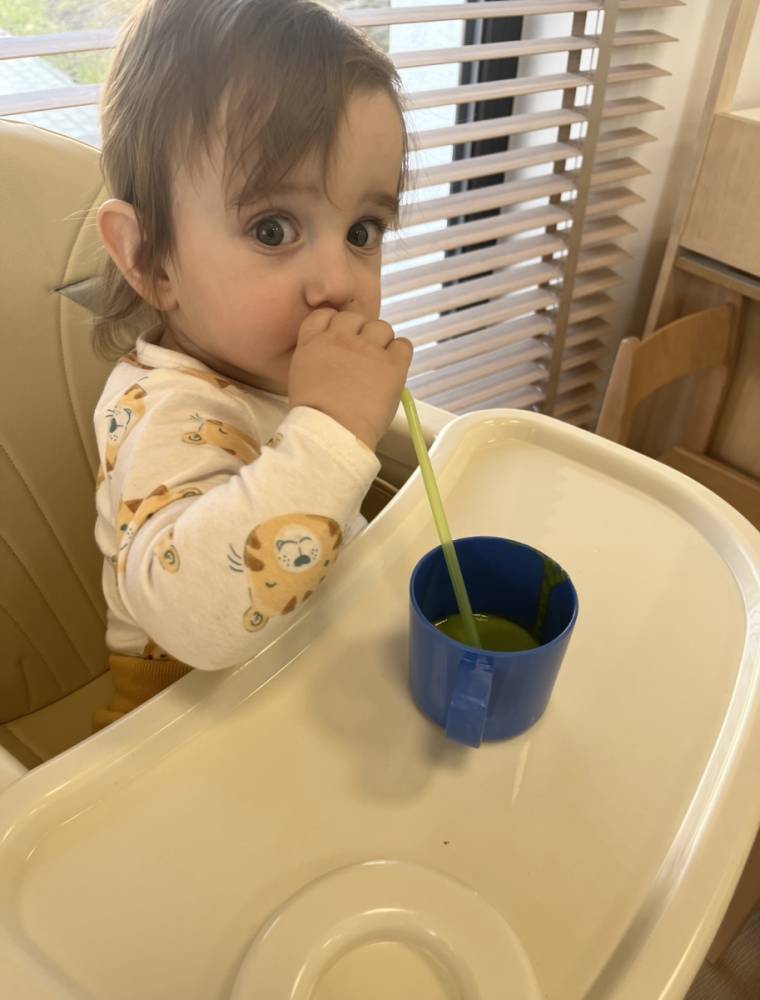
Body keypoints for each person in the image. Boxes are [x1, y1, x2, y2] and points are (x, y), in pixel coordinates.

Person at [91, 0, 413, 729]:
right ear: (150, 260)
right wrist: (333, 429)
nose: (338, 282)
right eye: (273, 229)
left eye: (363, 230)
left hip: (303, 677)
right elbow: (193, 622)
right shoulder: (165, 410)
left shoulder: (276, 369)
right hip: (183, 723)